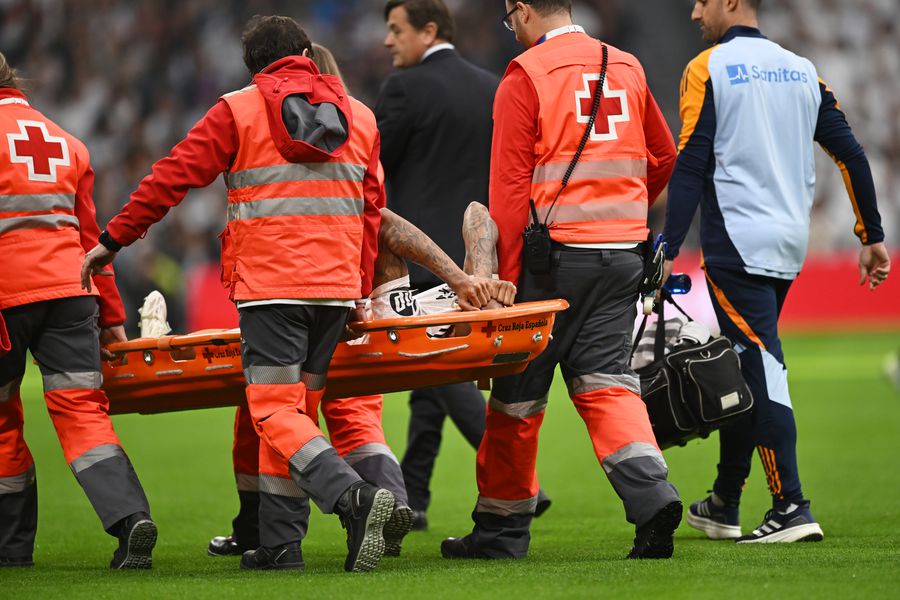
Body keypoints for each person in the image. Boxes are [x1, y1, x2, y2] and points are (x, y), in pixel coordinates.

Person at [81, 15, 447, 573]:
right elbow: (372, 213)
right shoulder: (362, 118)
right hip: (335, 292)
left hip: (273, 290)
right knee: (297, 413)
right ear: (304, 52)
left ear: (255, 68)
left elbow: (171, 179)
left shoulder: (239, 109)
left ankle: (354, 497)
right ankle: (280, 543)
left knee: (274, 413)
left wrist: (113, 239)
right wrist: (359, 288)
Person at [206, 42, 510, 561]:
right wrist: (474, 279)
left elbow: (385, 223)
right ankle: (386, 503)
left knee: (273, 414)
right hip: (392, 311)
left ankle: (280, 529)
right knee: (354, 419)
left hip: (349, 310)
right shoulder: (355, 131)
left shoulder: (301, 143)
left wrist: (466, 279)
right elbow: (456, 218)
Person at [442, 0, 682, 560]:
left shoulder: (525, 77)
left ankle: (501, 532)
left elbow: (506, 190)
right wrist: (627, 214)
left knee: (516, 400)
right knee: (607, 385)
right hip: (622, 255)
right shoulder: (625, 65)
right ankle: (653, 498)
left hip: (550, 265)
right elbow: (663, 156)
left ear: (522, 11)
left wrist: (500, 279)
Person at [663, 0, 890, 543]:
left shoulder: (708, 67)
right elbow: (851, 154)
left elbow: (692, 158)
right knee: (746, 365)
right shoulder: (802, 69)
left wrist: (667, 244)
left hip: (736, 243)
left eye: (702, 2)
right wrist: (872, 235)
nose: (695, 13)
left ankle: (790, 504)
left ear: (732, 3)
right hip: (787, 245)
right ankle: (725, 500)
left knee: (761, 367)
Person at [376, 0, 546, 531]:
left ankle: (520, 481)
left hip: (421, 256)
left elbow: (372, 171)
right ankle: (416, 497)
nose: (387, 41)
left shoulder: (403, 89)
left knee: (437, 370)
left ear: (428, 31)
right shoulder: (490, 84)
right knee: (433, 388)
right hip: (475, 248)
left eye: (395, 30)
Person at [0, 52, 156, 569]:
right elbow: (95, 243)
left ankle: (11, 549)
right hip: (71, 294)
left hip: (5, 299)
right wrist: (111, 317)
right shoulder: (67, 143)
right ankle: (131, 519)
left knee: (2, 424)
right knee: (83, 413)